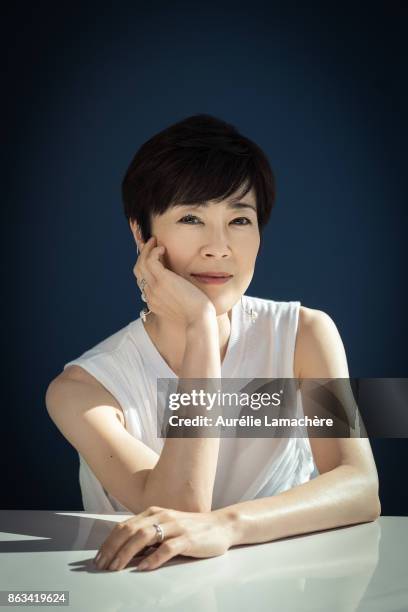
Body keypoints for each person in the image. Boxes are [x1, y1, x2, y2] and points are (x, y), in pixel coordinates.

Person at [45, 114, 381, 572]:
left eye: (240, 219)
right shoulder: (82, 391)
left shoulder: (306, 335)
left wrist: (229, 526)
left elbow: (359, 486)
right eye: (191, 217)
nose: (219, 247)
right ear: (141, 234)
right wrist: (202, 326)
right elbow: (178, 511)